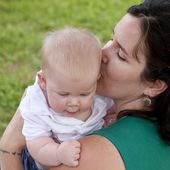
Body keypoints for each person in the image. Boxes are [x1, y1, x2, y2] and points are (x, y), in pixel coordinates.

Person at [1, 0, 170, 169]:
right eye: (112, 39)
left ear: (155, 85)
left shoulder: (89, 157)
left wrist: (9, 146)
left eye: (120, 54)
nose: (102, 53)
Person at [18, 27, 114, 169]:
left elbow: (114, 107)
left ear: (96, 80)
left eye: (84, 94)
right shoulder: (38, 107)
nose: (74, 103)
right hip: (43, 162)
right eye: (64, 94)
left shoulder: (100, 94)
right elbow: (37, 144)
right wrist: (58, 153)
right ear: (43, 81)